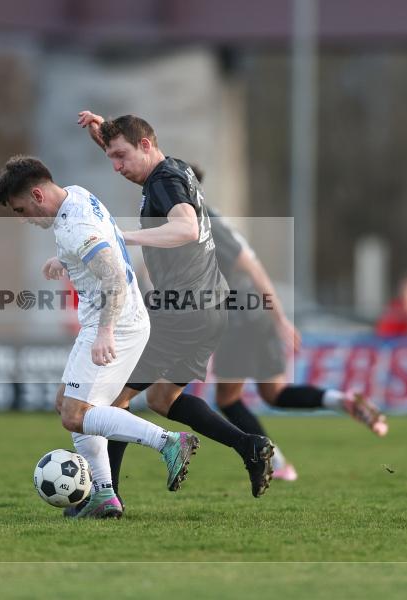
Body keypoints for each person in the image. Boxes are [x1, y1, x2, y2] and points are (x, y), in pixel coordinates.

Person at [74, 111, 277, 505]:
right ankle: (249, 445)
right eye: (110, 158)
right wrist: (107, 136)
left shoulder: (163, 181)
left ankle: (106, 496)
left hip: (181, 310)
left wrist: (123, 237)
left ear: (146, 146)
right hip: (210, 308)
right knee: (161, 399)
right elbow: (134, 147)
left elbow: (185, 227)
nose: (116, 167)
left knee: (112, 399)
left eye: (121, 157)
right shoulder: (175, 168)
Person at [0, 155, 199, 519]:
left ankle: (168, 442)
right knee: (67, 403)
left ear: (38, 194)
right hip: (113, 320)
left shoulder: (74, 226)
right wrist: (67, 262)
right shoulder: (75, 195)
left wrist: (105, 332)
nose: (23, 219)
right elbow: (107, 240)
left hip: (115, 322)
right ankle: (104, 496)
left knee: (75, 414)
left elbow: (116, 275)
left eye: (22, 210)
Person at [189, 165, 388, 484]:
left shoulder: (204, 222)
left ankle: (276, 461)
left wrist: (281, 318)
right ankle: (341, 400)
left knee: (227, 399)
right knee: (274, 393)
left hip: (241, 315)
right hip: (256, 313)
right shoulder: (206, 217)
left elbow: (250, 265)